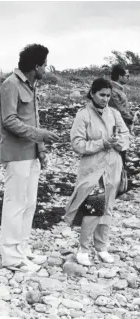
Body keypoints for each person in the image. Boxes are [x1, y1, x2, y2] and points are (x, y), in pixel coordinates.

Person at [0, 44, 60, 272]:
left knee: (29, 203)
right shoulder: (10, 85)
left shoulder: (31, 86)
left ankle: (22, 249)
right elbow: (9, 120)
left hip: (32, 153)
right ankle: (11, 256)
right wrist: (40, 135)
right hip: (16, 154)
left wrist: (41, 149)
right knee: (15, 204)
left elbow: (33, 119)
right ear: (36, 66)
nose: (46, 68)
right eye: (45, 64)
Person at [64, 78, 129, 266]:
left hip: (113, 167)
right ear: (92, 93)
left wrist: (119, 142)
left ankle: (101, 247)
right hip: (93, 169)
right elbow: (77, 144)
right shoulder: (83, 115)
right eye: (102, 95)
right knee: (93, 208)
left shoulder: (114, 113)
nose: (105, 99)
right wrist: (101, 143)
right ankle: (83, 249)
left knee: (107, 208)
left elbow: (126, 136)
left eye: (108, 95)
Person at [109, 64, 134, 131]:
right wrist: (132, 118)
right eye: (127, 76)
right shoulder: (113, 90)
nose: (128, 78)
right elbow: (119, 109)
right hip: (119, 125)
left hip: (124, 123)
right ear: (120, 76)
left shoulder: (119, 89)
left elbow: (123, 106)